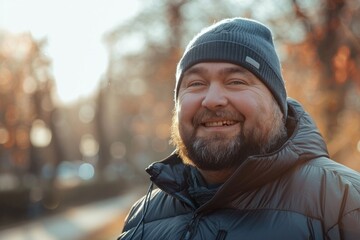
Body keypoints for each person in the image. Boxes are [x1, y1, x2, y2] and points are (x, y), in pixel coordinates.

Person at [118, 17, 360, 240]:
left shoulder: (344, 203)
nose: (212, 99)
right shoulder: (142, 217)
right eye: (196, 83)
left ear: (278, 104)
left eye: (236, 81)